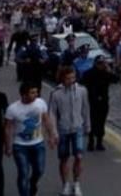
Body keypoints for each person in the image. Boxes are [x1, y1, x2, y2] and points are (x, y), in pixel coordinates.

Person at [5, 82, 56, 196]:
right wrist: (8, 146)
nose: (36, 94)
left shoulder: (40, 103)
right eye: (32, 92)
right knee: (23, 173)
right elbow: (8, 128)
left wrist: (51, 136)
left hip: (38, 144)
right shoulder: (13, 109)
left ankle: (33, 184)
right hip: (20, 146)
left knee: (39, 170)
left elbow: (46, 120)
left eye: (36, 92)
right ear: (24, 94)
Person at [48, 66, 90, 196]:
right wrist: (53, 132)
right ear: (62, 79)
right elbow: (52, 114)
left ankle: (76, 184)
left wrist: (87, 125)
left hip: (78, 128)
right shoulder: (56, 93)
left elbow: (85, 109)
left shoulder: (82, 90)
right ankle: (65, 184)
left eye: (73, 77)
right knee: (64, 159)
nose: (71, 81)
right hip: (63, 129)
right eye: (68, 78)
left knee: (79, 156)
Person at [81, 56, 118, 151]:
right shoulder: (89, 73)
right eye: (100, 63)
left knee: (101, 122)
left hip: (103, 102)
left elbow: (116, 79)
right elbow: (82, 82)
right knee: (92, 122)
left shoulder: (106, 73)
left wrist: (110, 70)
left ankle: (99, 142)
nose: (102, 65)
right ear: (96, 63)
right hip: (92, 102)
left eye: (103, 63)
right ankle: (91, 142)